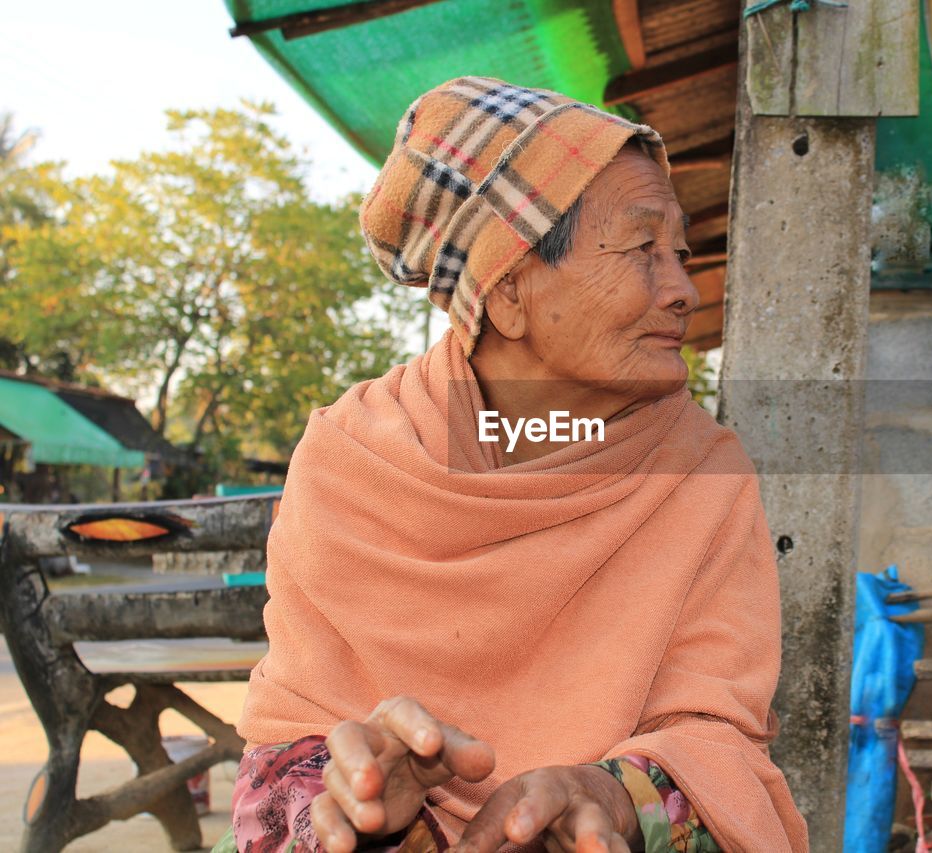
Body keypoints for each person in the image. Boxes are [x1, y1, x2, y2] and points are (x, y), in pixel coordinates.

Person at [214, 77, 807, 853]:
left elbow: (719, 745)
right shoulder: (350, 457)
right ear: (509, 290)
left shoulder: (704, 475)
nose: (682, 290)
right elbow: (281, 756)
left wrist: (612, 795)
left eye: (681, 252)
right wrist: (365, 811)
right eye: (641, 249)